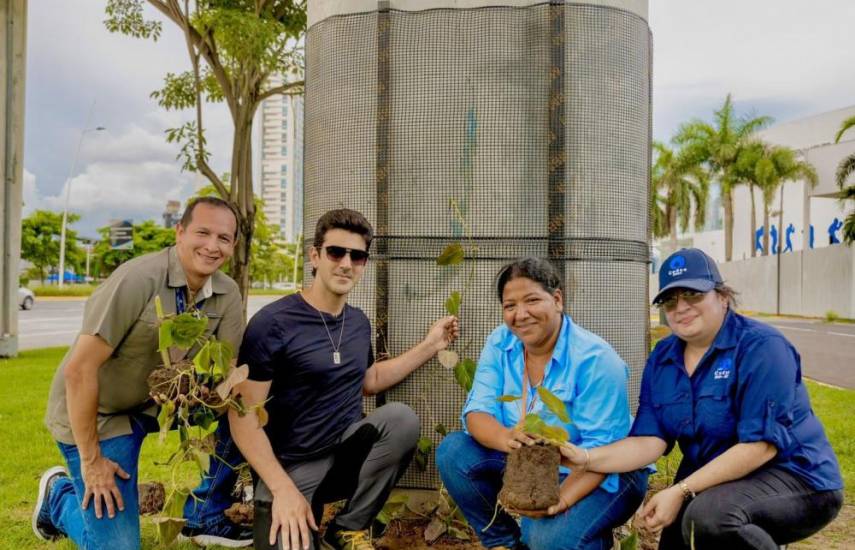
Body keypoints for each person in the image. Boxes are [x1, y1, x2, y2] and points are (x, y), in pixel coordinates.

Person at [559, 248, 844, 549]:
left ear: (722, 296)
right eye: (670, 300)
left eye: (693, 294)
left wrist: (681, 490)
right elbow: (649, 440)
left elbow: (760, 447)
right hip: (716, 481)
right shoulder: (664, 357)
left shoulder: (762, 347)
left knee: (708, 520)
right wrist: (587, 458)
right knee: (680, 537)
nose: (680, 307)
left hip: (795, 478)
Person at [228, 208, 459, 550]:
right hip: (288, 467)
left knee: (401, 419)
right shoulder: (273, 324)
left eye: (358, 256)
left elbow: (370, 379)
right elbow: (242, 416)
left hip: (344, 457)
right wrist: (282, 489)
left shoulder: (357, 322)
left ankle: (348, 527)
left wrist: (431, 345)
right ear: (315, 256)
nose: (346, 263)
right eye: (336, 252)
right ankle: (298, 514)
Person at [34, 197, 253, 549]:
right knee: (118, 546)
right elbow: (79, 370)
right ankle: (58, 498)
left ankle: (205, 515)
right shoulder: (138, 279)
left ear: (233, 245)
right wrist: (92, 463)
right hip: (101, 414)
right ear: (179, 232)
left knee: (245, 408)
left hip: (161, 408)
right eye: (203, 233)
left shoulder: (227, 295)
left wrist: (230, 396)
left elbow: (226, 377)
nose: (213, 246)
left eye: (224, 238)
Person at [436, 257, 649, 550]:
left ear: (557, 299)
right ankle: (503, 542)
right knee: (454, 452)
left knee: (545, 539)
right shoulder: (500, 343)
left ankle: (585, 536)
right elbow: (477, 411)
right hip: (538, 461)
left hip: (604, 468)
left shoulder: (596, 360)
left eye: (532, 300)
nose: (520, 314)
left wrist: (560, 501)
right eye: (510, 306)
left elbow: (602, 453)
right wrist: (506, 437)